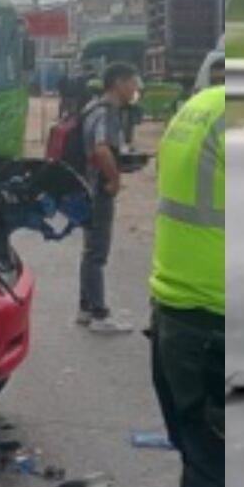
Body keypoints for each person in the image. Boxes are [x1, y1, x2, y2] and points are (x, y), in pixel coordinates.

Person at [148, 84, 225, 487]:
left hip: (176, 315)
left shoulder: (196, 109)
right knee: (218, 479)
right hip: (218, 321)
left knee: (200, 464)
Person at [77, 62, 140, 334]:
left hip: (84, 187)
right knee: (97, 253)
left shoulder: (91, 107)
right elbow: (102, 150)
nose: (135, 88)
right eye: (132, 82)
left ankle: (85, 307)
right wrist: (115, 179)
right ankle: (99, 314)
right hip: (99, 189)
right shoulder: (108, 112)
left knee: (89, 250)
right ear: (118, 83)